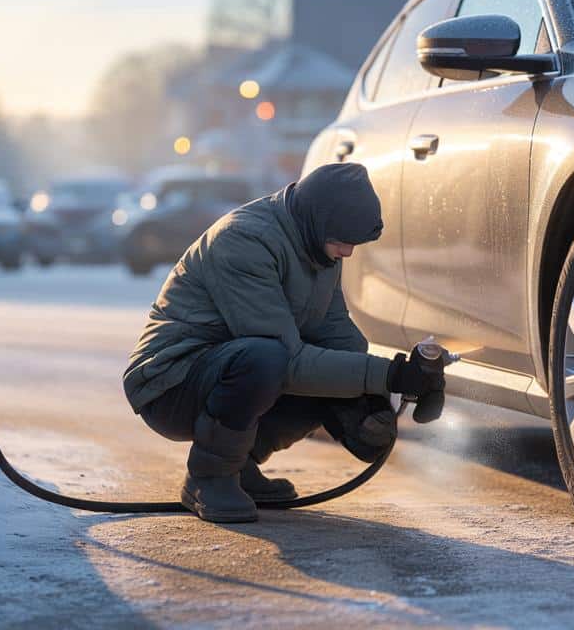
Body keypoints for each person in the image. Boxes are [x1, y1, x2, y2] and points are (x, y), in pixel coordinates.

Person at [123, 163, 445, 523]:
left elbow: (336, 334)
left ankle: (239, 468)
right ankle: (209, 477)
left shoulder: (318, 242)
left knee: (323, 376)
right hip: (171, 381)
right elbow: (288, 362)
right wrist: (391, 375)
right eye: (344, 241)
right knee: (267, 359)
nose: (349, 253)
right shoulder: (244, 241)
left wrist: (379, 396)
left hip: (230, 367)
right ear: (319, 219)